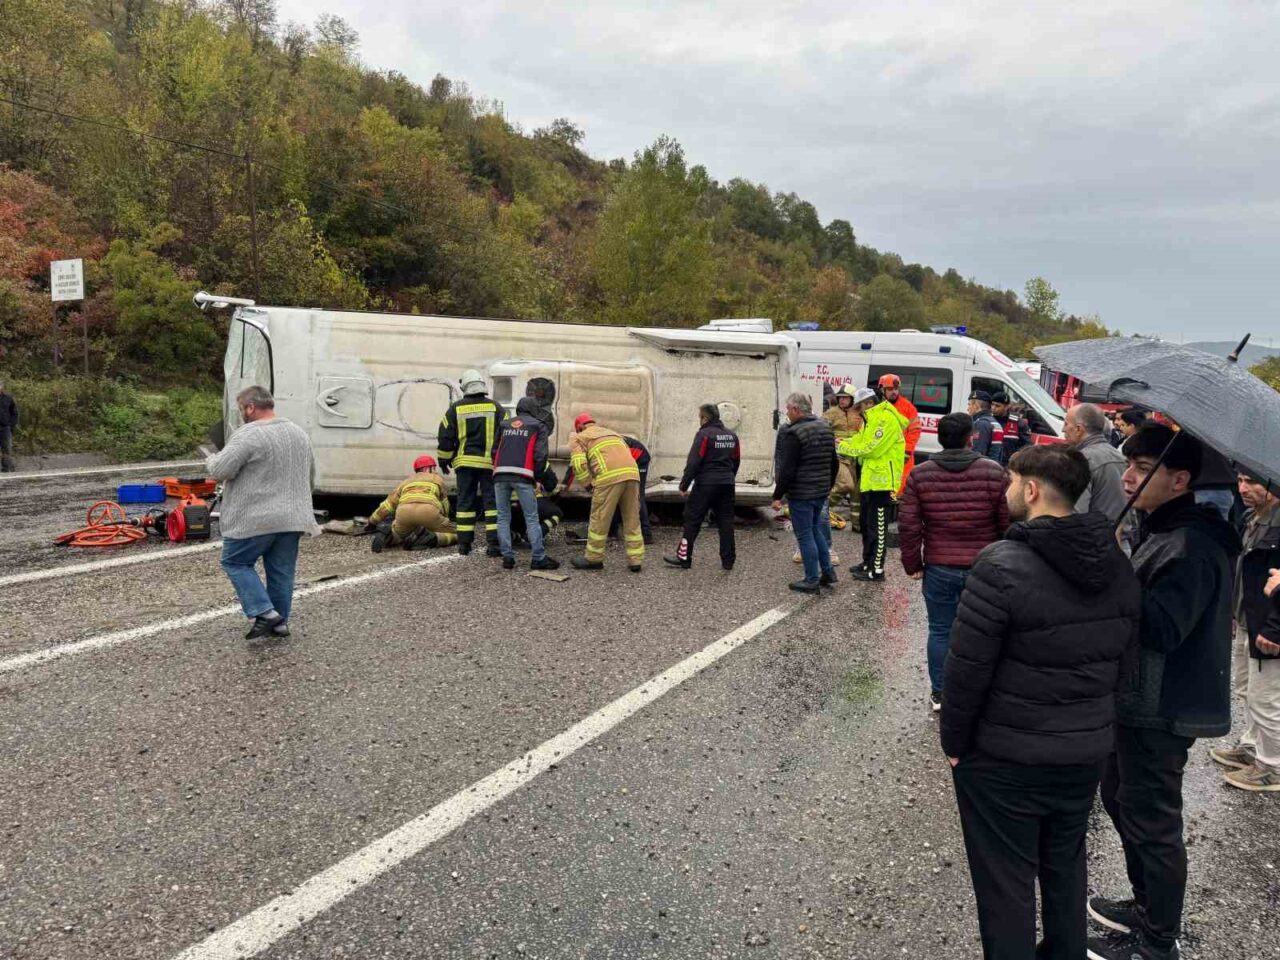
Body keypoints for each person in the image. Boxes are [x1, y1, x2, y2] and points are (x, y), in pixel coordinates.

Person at [943, 444, 1140, 960]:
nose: (1007, 490)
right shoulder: (1118, 565)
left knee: (1006, 882)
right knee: (1065, 866)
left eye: (1012, 481)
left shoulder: (1000, 564)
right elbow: (1125, 663)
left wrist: (955, 745)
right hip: (1083, 754)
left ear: (1031, 490)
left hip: (1005, 758)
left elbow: (967, 670)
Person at [1089, 424, 1241, 960]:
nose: (1128, 477)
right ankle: (1147, 904)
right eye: (1129, 466)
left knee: (1152, 820)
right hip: (1137, 699)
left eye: (1141, 467)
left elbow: (1162, 628)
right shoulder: (1165, 528)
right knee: (1120, 797)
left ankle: (1157, 941)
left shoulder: (1193, 544)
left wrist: (1115, 565)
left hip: (1163, 706)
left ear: (1179, 480)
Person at [899, 413, 1009, 711]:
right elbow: (1005, 522)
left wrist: (913, 563)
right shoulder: (993, 472)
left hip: (940, 566)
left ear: (939, 438)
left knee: (940, 630)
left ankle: (940, 692)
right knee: (984, 631)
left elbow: (909, 525)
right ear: (971, 438)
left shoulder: (920, 474)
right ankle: (979, 693)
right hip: (984, 568)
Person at [206, 386, 319, 640]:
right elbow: (311, 476)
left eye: (241, 408)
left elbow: (220, 470)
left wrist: (211, 458)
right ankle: (279, 623)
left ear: (250, 407)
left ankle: (264, 612)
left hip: (255, 519)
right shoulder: (299, 433)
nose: (241, 413)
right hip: (293, 517)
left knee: (235, 562)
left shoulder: (248, 434)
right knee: (281, 572)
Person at [1208, 472, 1280, 791]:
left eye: (1252, 481)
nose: (1242, 489)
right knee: (1246, 689)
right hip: (1247, 618)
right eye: (1239, 480)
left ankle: (1272, 765)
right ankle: (1253, 746)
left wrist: (1275, 629)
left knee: (1267, 699)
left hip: (1267, 625)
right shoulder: (1253, 517)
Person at [838, 386, 908, 582]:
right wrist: (843, 442)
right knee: (866, 525)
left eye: (859, 407)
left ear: (869, 403)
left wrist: (843, 447)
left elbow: (871, 449)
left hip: (883, 484)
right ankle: (867, 562)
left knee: (878, 529)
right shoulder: (870, 419)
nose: (857, 411)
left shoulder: (885, 419)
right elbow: (859, 440)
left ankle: (877, 570)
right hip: (870, 480)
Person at [772, 391, 838, 594]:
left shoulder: (794, 433)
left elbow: (787, 469)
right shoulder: (825, 427)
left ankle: (811, 579)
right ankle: (828, 572)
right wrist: (828, 486)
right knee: (816, 530)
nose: (787, 413)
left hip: (802, 493)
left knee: (804, 535)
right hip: (820, 491)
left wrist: (777, 496)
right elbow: (834, 462)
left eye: (788, 409)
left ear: (795, 409)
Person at [666, 403, 740, 570]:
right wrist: (728, 477)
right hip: (727, 484)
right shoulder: (732, 436)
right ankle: (728, 561)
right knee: (726, 522)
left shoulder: (704, 435)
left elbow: (694, 462)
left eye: (700, 417)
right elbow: (736, 460)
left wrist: (684, 485)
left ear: (705, 418)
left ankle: (684, 558)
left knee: (692, 519)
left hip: (706, 484)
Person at [437, 369, 502, 557]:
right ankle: (494, 544)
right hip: (489, 465)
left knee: (465, 503)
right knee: (492, 504)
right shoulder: (496, 407)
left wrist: (444, 458)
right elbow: (506, 433)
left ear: (465, 386)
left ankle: (464, 545)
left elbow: (445, 435)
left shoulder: (455, 409)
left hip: (465, 465)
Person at [568, 412, 644, 572]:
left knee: (600, 518)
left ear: (580, 427)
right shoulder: (613, 433)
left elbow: (579, 464)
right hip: (632, 474)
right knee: (632, 517)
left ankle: (593, 559)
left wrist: (588, 484)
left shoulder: (578, 437)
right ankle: (635, 560)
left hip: (609, 476)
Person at [492, 397, 560, 572]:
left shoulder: (504, 424)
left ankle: (507, 558)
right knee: (531, 517)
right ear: (533, 410)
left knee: (502, 517)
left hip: (500, 475)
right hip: (523, 476)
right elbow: (540, 455)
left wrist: (499, 468)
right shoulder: (538, 426)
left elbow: (494, 450)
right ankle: (538, 558)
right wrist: (537, 477)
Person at [365, 455, 456, 552]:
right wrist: (444, 520)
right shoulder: (437, 479)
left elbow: (387, 506)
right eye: (433, 468)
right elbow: (445, 504)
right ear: (426, 468)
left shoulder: (405, 482)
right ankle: (432, 538)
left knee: (399, 535)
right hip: (428, 512)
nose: (435, 471)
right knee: (460, 534)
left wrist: (372, 522)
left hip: (404, 513)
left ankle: (389, 536)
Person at [1065, 403, 1128, 523]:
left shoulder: (1081, 460)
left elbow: (1075, 516)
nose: (1063, 429)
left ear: (1078, 429)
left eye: (1066, 424)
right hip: (1120, 532)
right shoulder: (1119, 456)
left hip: (1092, 533)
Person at [823, 384, 863, 531]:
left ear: (853, 399)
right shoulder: (831, 413)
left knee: (856, 492)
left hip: (855, 458)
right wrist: (832, 440)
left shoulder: (860, 413)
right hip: (838, 457)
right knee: (846, 484)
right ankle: (821, 507)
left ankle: (857, 524)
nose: (842, 400)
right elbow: (821, 430)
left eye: (845, 397)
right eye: (840, 397)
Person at [879, 374, 921, 496]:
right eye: (890, 389)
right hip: (882, 454)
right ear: (882, 390)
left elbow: (915, 431)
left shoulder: (908, 407)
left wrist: (907, 451)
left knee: (901, 489)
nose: (894, 392)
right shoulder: (876, 407)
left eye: (896, 389)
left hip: (902, 456)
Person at [967, 391, 1005, 462]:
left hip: (982, 467)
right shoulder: (994, 422)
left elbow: (977, 453)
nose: (968, 409)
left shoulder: (981, 424)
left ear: (976, 405)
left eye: (969, 405)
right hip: (993, 465)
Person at [992, 392, 1030, 461]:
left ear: (1007, 407)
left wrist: (1018, 453)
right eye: (992, 404)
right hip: (991, 462)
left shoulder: (1018, 422)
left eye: (997, 406)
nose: (993, 408)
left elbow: (1027, 444)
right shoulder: (987, 420)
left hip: (1010, 463)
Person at [0, 381, 17, 472]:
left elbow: (14, 413)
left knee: (7, 449)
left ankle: (7, 469)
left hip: (5, 428)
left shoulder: (9, 398)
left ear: (2, 387)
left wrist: (11, 426)